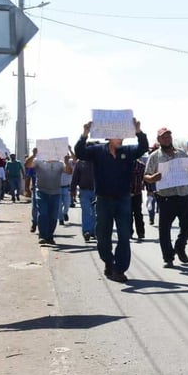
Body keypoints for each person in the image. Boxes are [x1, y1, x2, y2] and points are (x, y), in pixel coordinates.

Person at [74, 118, 149, 283]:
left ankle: (120, 269)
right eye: (117, 136)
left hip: (123, 200)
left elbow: (143, 148)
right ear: (108, 137)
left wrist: (138, 131)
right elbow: (80, 153)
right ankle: (108, 261)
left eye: (122, 136)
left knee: (124, 235)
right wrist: (84, 134)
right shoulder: (97, 151)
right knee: (103, 235)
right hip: (103, 201)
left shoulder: (128, 151)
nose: (120, 138)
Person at [144, 128, 188, 267]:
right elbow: (146, 176)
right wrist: (153, 178)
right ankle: (168, 256)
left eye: (168, 136)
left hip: (183, 194)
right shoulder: (154, 156)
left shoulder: (181, 153)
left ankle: (180, 246)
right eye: (163, 137)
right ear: (159, 140)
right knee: (164, 229)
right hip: (165, 197)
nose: (167, 139)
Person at [30, 153, 72, 245]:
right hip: (41, 192)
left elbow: (69, 172)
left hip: (55, 193)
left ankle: (49, 236)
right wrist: (33, 155)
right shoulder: (38, 161)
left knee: (53, 216)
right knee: (43, 214)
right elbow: (27, 165)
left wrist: (67, 162)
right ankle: (42, 236)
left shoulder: (60, 164)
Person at [70, 147, 97, 242]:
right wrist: (72, 190)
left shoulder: (99, 161)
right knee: (86, 211)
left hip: (97, 192)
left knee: (96, 212)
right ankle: (86, 231)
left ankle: (95, 231)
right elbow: (75, 177)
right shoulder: (80, 162)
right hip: (84, 191)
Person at [129, 156, 146, 241]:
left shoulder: (141, 166)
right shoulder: (124, 165)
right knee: (128, 215)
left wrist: (150, 190)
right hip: (126, 194)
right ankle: (129, 233)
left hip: (137, 193)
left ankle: (141, 233)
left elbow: (146, 178)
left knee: (138, 214)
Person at [59, 151, 75, 225]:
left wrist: (70, 149)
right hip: (58, 187)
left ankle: (65, 213)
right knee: (59, 205)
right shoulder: (58, 163)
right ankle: (60, 219)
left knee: (67, 204)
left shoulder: (71, 162)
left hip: (67, 187)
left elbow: (75, 159)